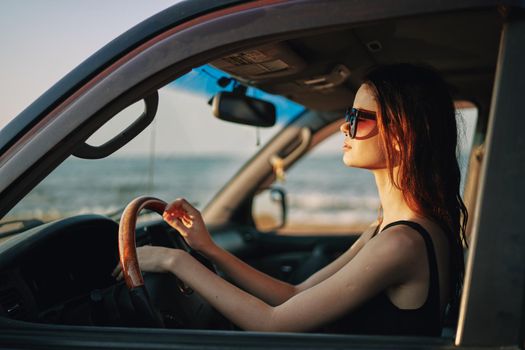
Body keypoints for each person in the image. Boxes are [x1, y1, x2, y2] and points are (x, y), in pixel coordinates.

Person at [113, 63, 468, 335]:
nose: (345, 127)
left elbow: (274, 323)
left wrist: (176, 261)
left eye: (358, 118)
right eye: (348, 115)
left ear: (399, 135)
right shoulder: (388, 229)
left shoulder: (401, 242)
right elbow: (292, 294)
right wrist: (207, 249)